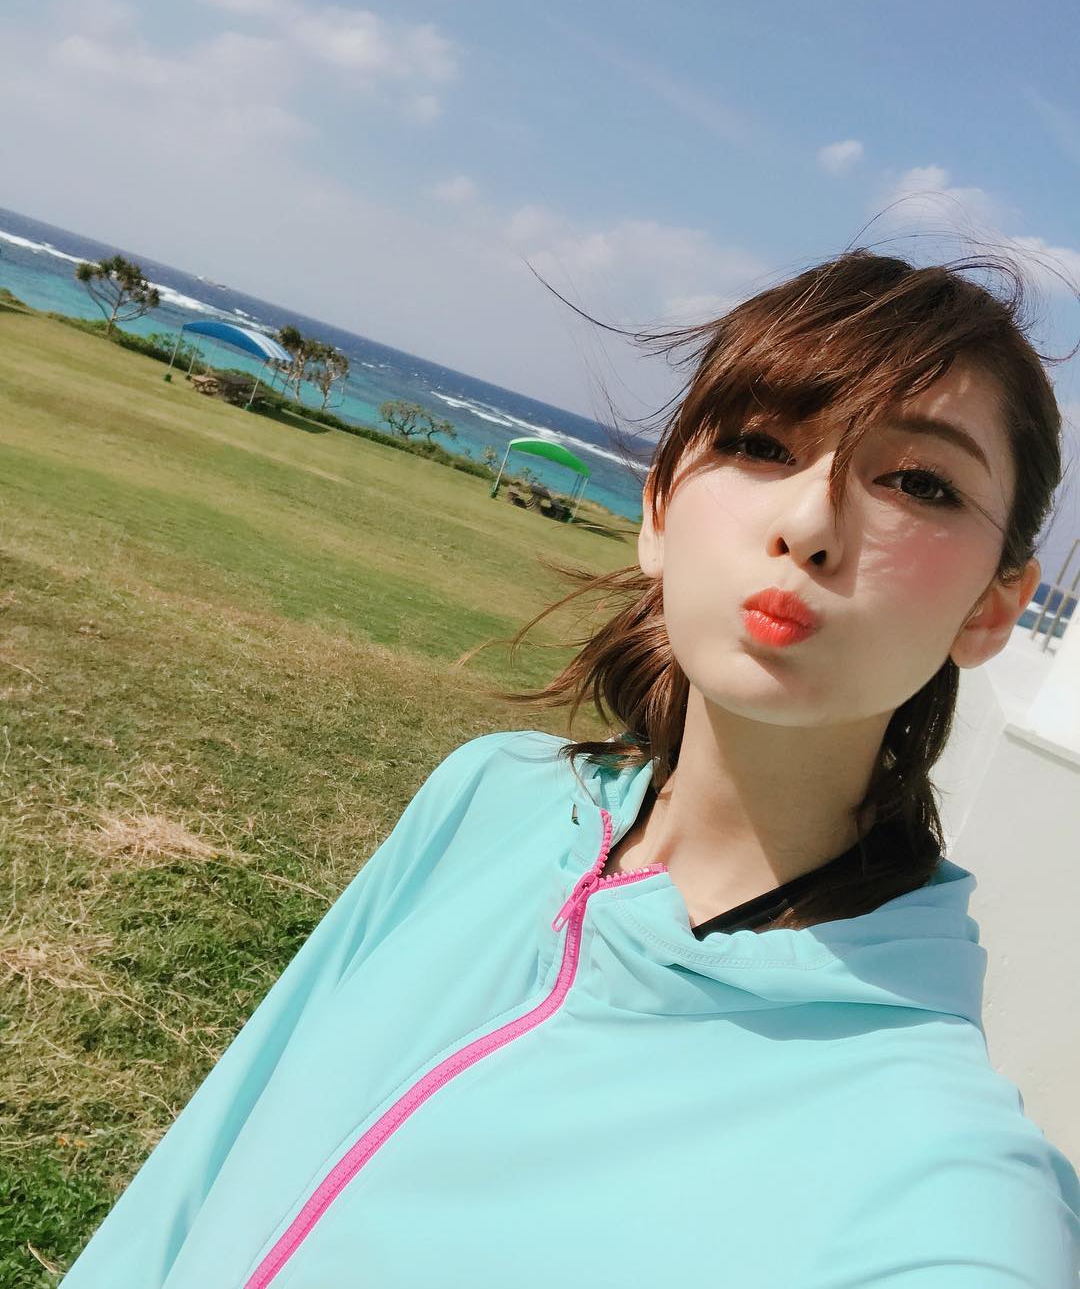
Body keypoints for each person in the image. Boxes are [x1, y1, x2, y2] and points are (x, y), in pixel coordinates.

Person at [61, 249, 1080, 1287]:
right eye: (761, 443)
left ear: (993, 606)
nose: (811, 524)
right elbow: (220, 1137)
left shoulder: (934, 1168)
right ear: (659, 511)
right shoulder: (491, 793)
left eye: (918, 483)